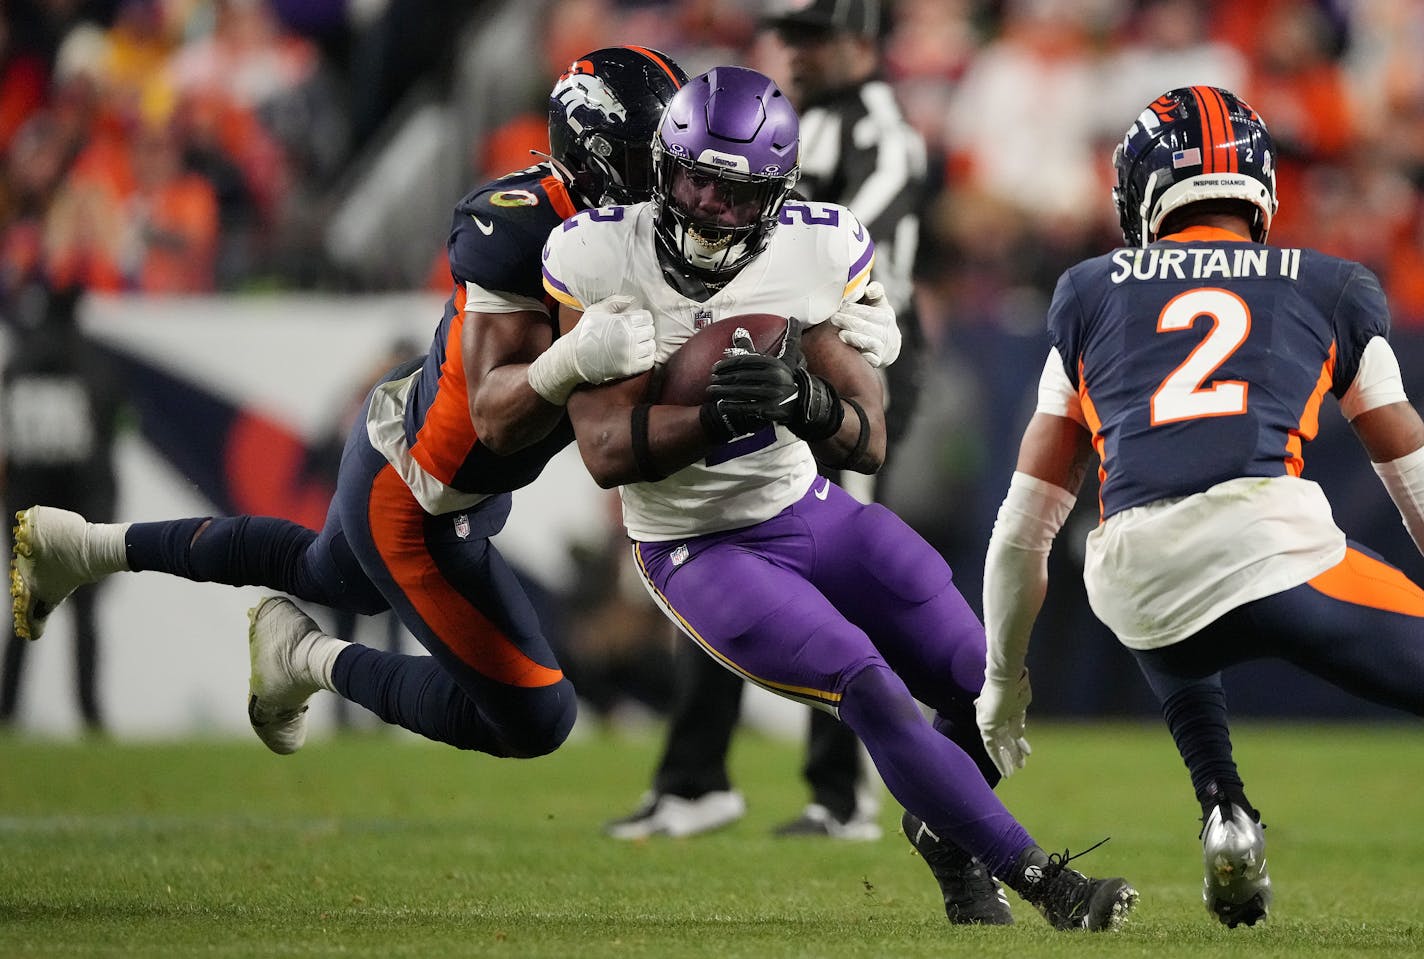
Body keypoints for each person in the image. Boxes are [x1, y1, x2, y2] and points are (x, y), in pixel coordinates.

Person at [544, 63, 1138, 932]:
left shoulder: (813, 248)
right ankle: (1042, 877)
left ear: (777, 198)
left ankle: (945, 834)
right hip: (696, 544)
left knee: (989, 684)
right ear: (662, 168)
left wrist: (807, 401)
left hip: (805, 506)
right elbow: (602, 453)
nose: (708, 205)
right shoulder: (597, 252)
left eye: (734, 191)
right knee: (869, 684)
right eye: (695, 179)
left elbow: (869, 432)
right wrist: (713, 417)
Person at [8, 46, 692, 761]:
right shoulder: (518, 227)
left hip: (439, 455)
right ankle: (310, 660)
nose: (680, 184)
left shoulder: (638, 237)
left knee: (318, 571)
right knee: (537, 716)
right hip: (418, 491)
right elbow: (497, 411)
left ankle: (83, 546)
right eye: (663, 161)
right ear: (599, 156)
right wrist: (577, 358)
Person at [975, 85, 1424, 929]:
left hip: (1134, 575)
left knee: (1162, 582)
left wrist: (1003, 681)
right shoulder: (1330, 284)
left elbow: (1021, 529)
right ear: (1257, 185)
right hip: (1270, 549)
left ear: (1142, 193)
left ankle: (1224, 806)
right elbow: (1412, 472)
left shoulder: (1087, 291)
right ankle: (1223, 803)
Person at [604, 0, 931, 843]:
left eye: (811, 35)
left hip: (842, 365)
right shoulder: (801, 123)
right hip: (764, 352)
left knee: (831, 570)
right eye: (787, 34)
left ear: (861, 38)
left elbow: (858, 263)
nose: (793, 50)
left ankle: (843, 792)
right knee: (720, 543)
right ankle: (694, 777)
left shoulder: (883, 133)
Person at [0, 283, 124, 732]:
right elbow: (107, 440)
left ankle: (7, 711)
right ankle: (90, 714)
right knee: (85, 616)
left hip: (25, 509)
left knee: (23, 614)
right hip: (78, 510)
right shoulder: (90, 364)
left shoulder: (16, 365)